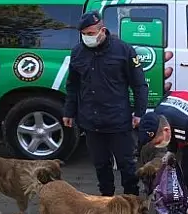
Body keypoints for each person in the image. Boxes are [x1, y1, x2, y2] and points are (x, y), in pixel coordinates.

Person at [62, 10, 148, 196]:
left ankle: (132, 204)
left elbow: (139, 84)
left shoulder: (123, 50)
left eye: (91, 34)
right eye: (84, 34)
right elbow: (73, 85)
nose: (87, 38)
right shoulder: (78, 52)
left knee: (127, 166)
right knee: (101, 166)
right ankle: (106, 203)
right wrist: (68, 112)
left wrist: (139, 113)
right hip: (91, 121)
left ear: (103, 31)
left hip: (118, 120)